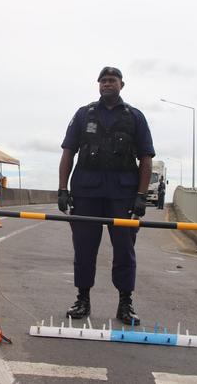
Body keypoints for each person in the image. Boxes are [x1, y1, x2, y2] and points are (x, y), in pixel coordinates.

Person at [58, 66, 155, 325]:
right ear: (98, 85)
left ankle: (125, 303)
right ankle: (83, 299)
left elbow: (146, 158)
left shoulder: (135, 117)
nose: (107, 84)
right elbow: (68, 151)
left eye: (112, 80)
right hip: (86, 191)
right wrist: (62, 189)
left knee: (125, 249)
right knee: (84, 248)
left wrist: (141, 196)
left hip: (122, 194)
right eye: (103, 81)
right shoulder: (82, 115)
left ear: (122, 84)